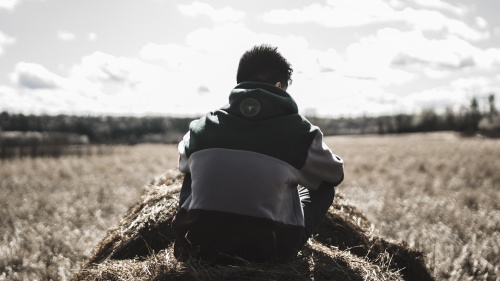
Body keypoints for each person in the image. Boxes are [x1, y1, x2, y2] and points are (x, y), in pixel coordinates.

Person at [172, 44, 344, 263]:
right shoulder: (301, 133)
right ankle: (284, 249)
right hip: (267, 252)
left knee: (191, 171)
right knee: (324, 188)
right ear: (280, 87)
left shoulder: (199, 128)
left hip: (198, 250)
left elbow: (182, 162)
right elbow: (334, 175)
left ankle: (191, 238)